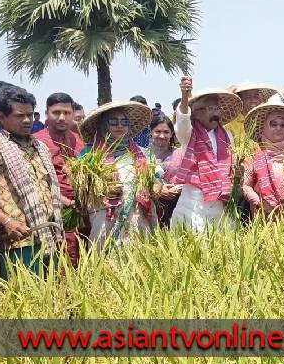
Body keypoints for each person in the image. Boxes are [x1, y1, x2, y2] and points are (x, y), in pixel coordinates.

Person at [0, 86, 64, 279]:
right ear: (1, 116)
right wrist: (6, 221)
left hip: (49, 237)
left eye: (30, 114)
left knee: (54, 298)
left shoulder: (40, 147)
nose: (27, 120)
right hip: (17, 241)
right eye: (19, 115)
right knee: (24, 299)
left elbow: (46, 186)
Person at [79, 100, 158, 248]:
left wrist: (156, 186)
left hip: (137, 217)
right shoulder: (90, 153)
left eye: (124, 122)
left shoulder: (140, 153)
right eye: (114, 122)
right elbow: (80, 188)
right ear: (104, 126)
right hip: (105, 218)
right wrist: (101, 189)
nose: (120, 126)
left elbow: (155, 178)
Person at [170, 77, 242, 232]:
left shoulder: (227, 135)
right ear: (195, 113)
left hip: (221, 201)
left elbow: (232, 162)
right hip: (194, 201)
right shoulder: (189, 134)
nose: (215, 113)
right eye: (210, 109)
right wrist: (184, 96)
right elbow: (182, 119)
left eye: (216, 109)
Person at [33, 93, 86, 267]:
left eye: (66, 113)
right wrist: (65, 201)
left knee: (83, 256)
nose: (61, 118)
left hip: (82, 212)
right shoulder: (37, 142)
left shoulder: (77, 140)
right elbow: (37, 182)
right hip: (54, 212)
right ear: (47, 113)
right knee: (62, 260)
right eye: (56, 112)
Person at [242, 102, 284, 219]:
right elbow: (246, 186)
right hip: (262, 213)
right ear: (265, 127)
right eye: (273, 124)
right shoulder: (253, 157)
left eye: (283, 125)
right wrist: (256, 199)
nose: (278, 128)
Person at [150, 115, 181, 228]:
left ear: (172, 133)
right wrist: (158, 190)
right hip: (150, 210)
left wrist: (177, 189)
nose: (162, 135)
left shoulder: (180, 154)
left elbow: (190, 178)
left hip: (176, 207)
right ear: (151, 132)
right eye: (157, 131)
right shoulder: (142, 155)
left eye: (166, 132)